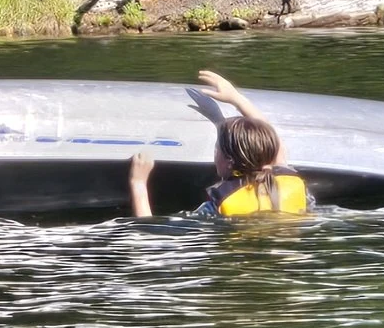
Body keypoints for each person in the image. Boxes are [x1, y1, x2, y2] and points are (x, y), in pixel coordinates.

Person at [129, 70, 313, 219]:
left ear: (228, 162)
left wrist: (138, 182)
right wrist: (236, 98)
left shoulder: (215, 207)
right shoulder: (289, 179)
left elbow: (151, 234)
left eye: (216, 148)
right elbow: (276, 146)